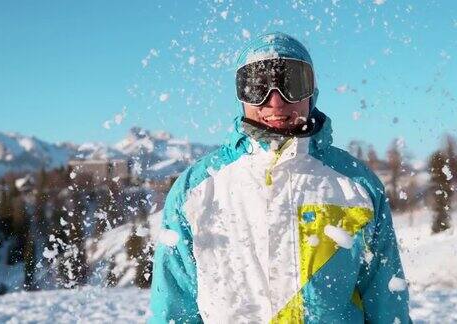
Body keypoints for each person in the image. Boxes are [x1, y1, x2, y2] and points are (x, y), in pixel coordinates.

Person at [149, 32, 411, 323]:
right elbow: (173, 310)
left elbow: (386, 303)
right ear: (240, 96)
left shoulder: (356, 185)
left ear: (312, 93)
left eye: (292, 83)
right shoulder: (196, 189)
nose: (275, 101)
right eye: (257, 86)